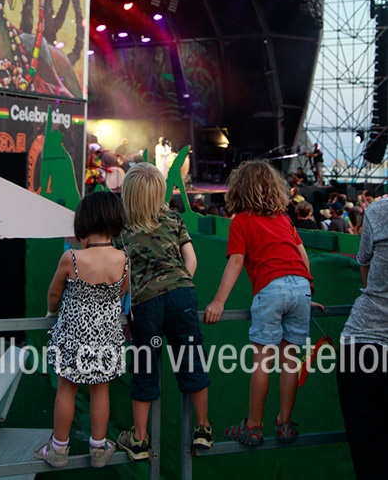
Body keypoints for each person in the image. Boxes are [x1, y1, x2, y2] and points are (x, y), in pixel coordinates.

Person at [204, 160, 316, 447]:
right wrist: (307, 294)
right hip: (301, 287)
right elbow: (302, 257)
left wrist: (218, 301)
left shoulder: (241, 221)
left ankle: (253, 426)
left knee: (263, 362)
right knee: (290, 361)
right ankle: (284, 424)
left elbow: (236, 262)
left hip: (271, 288)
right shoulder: (284, 220)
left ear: (239, 189)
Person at [116, 162, 212, 460]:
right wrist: (180, 284)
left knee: (145, 367)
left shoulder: (123, 229)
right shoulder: (173, 219)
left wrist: (124, 304)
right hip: (182, 296)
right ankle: (203, 428)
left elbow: (122, 274)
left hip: (146, 305)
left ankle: (140, 440)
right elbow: (192, 260)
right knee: (191, 359)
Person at [34, 191, 129, 469]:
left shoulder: (72, 258)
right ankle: (99, 448)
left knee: (66, 388)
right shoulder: (124, 259)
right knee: (100, 390)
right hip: (106, 338)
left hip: (73, 337)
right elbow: (121, 293)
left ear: (84, 221)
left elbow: (54, 293)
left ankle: (58, 449)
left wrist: (51, 311)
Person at [337, 198, 388, 479]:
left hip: (360, 346)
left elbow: (365, 268)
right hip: (364, 347)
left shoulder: (378, 211)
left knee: (369, 461)